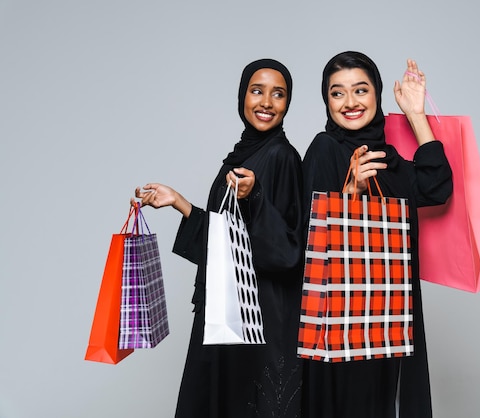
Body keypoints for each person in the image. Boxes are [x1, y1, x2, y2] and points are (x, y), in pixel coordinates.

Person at [135, 59, 304, 418]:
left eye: (279, 94)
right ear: (242, 95)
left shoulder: (282, 156)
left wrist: (255, 196)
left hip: (258, 321)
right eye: (257, 91)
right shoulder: (240, 156)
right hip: (225, 313)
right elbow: (227, 243)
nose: (267, 102)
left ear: (288, 104)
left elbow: (290, 251)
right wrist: (179, 203)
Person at [300, 51, 453, 418]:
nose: (350, 103)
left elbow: (437, 187)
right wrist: (350, 193)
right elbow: (305, 237)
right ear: (326, 101)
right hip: (340, 319)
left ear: (377, 95)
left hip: (391, 315)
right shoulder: (324, 149)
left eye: (361, 90)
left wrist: (417, 116)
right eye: (337, 93)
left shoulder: (390, 158)